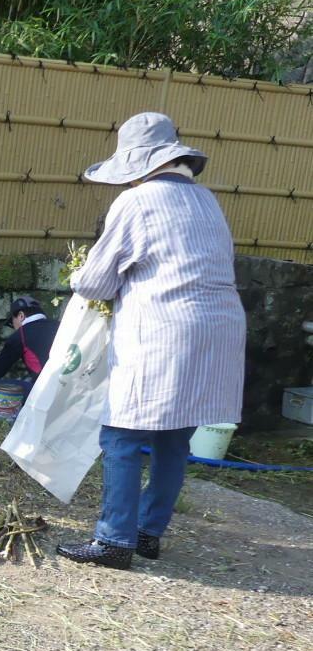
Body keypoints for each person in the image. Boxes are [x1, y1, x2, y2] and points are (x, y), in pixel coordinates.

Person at [56, 112, 245, 570]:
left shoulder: (135, 202)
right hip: (219, 331)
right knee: (173, 438)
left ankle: (114, 540)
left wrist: (77, 274)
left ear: (138, 164)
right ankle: (148, 532)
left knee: (120, 434)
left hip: (164, 330)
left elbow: (97, 283)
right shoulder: (207, 201)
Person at [0, 296, 60, 391]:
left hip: (47, 391)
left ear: (21, 316)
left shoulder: (20, 335)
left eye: (12, 323)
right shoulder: (61, 325)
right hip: (71, 385)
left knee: (0, 385)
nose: (14, 328)